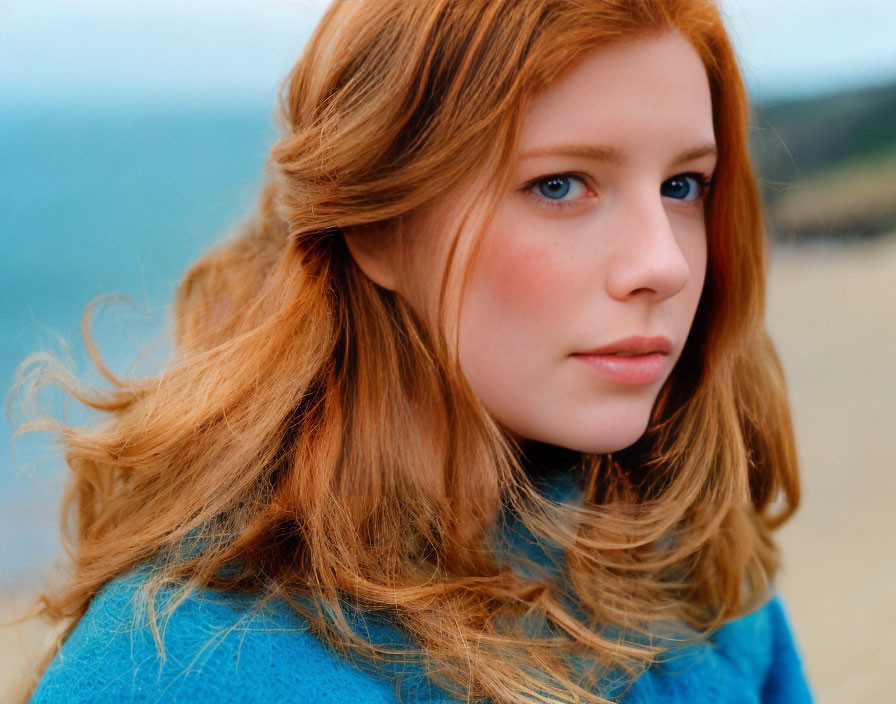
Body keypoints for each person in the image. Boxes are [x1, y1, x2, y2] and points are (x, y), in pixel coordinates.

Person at [12, 1, 813, 702]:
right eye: (561, 184)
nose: (665, 265)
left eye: (683, 186)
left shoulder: (699, 573)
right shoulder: (174, 671)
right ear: (377, 226)